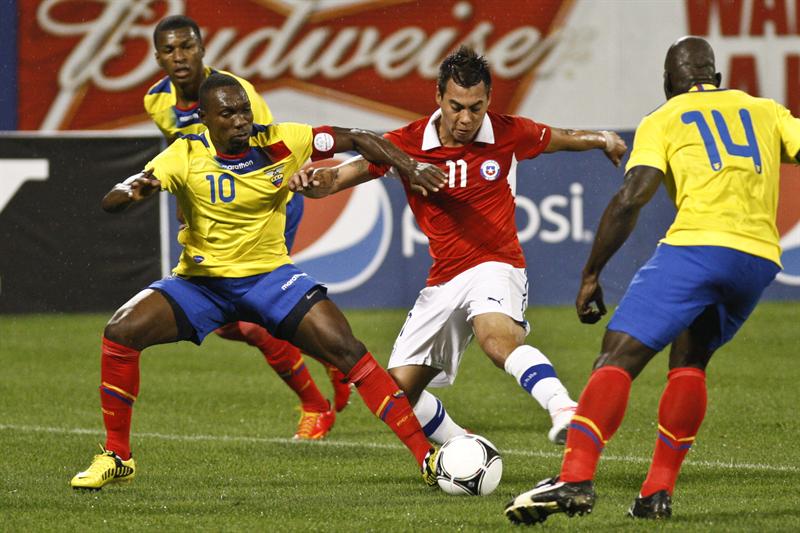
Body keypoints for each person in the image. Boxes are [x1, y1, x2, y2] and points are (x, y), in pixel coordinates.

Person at [70, 72, 448, 490]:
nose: (240, 121)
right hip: (201, 284)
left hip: (270, 278)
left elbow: (357, 137)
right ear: (206, 119)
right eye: (227, 113)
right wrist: (134, 188)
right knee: (121, 331)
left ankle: (427, 457)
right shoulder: (186, 152)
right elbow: (118, 196)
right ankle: (117, 456)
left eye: (244, 110)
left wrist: (409, 165)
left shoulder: (281, 140)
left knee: (347, 348)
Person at [504, 36, 800, 524]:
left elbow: (631, 197)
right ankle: (655, 494)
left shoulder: (664, 117)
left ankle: (574, 479)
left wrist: (590, 275)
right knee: (690, 359)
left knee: (617, 354)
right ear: (717, 78)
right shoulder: (764, 109)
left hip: (698, 247)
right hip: (758, 260)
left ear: (669, 85)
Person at [289, 46, 627, 450]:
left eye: (476, 107)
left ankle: (564, 408)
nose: (466, 119)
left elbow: (562, 138)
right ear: (438, 98)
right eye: (456, 107)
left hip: (496, 265)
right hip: (443, 279)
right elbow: (340, 178)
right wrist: (314, 182)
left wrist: (602, 139)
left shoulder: (507, 132)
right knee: (395, 395)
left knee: (496, 339)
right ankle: (465, 447)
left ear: (487, 102)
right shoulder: (406, 143)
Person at [145, 14, 350, 440]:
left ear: (203, 48)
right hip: (216, 214)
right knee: (232, 324)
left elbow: (268, 148)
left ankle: (315, 404)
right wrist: (189, 202)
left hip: (264, 207)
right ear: (157, 56)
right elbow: (182, 151)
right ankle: (327, 356)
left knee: (251, 318)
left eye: (187, 46)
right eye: (169, 49)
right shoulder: (156, 101)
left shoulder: (238, 93)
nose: (179, 57)